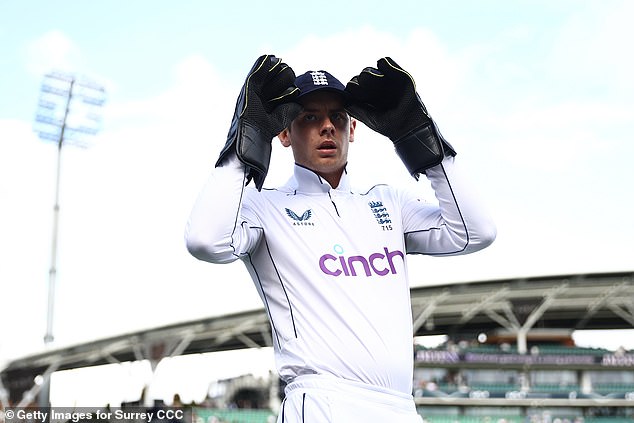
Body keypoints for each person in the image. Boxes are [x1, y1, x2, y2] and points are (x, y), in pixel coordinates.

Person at [185, 55, 496, 422]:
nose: (327, 126)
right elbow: (205, 241)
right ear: (283, 133)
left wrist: (417, 137)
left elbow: (476, 231)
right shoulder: (263, 206)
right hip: (324, 402)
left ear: (353, 129)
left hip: (401, 407)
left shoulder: (389, 203)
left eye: (338, 117)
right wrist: (246, 138)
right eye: (310, 117)